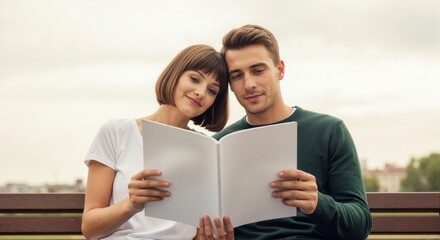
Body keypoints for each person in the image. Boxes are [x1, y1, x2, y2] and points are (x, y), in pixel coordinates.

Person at [199, 24, 372, 240]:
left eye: (258, 70)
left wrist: (318, 204)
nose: (249, 84)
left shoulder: (329, 131)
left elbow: (361, 225)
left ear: (280, 70)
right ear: (230, 85)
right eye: (237, 75)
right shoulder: (219, 145)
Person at [81, 44, 229, 240]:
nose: (201, 92)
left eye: (212, 90)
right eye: (194, 79)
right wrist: (130, 205)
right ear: (175, 75)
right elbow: (90, 228)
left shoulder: (206, 150)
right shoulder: (117, 132)